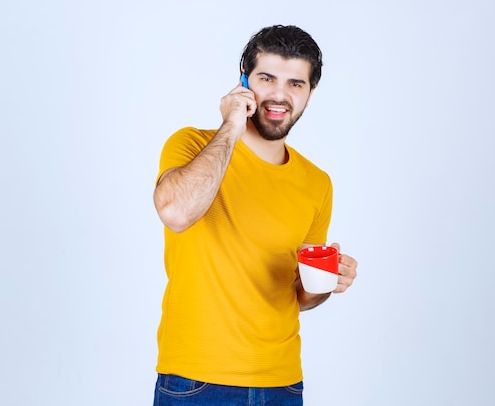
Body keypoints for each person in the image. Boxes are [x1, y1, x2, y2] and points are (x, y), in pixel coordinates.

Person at [152, 24, 358, 406]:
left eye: (296, 83)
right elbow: (177, 212)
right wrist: (232, 124)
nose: (280, 94)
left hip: (282, 384)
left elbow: (302, 295)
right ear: (244, 82)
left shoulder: (317, 183)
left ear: (310, 93)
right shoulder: (191, 145)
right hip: (196, 380)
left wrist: (328, 281)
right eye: (267, 78)